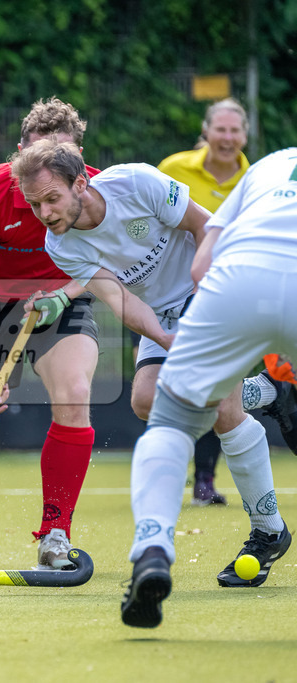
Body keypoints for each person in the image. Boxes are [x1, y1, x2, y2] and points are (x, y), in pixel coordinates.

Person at [8, 140, 292, 627]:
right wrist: (165, 336)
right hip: (163, 314)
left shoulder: (136, 182)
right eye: (35, 205)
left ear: (81, 183)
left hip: (213, 285)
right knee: (146, 400)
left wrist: (205, 310)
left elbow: (204, 226)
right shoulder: (61, 245)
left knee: (221, 408)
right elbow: (120, 298)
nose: (45, 213)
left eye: (52, 198)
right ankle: (267, 393)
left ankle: (268, 530)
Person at [117, 147, 297, 627]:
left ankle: (154, 550)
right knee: (151, 400)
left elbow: (205, 250)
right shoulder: (66, 224)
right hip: (191, 303)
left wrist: (207, 322)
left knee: (180, 416)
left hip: (228, 289)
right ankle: (272, 391)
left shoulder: (266, 166)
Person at [0, 97, 99, 571]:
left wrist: (63, 296)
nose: (47, 170)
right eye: (37, 156)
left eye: (60, 157)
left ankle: (55, 532)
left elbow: (104, 262)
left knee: (74, 393)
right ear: (20, 154)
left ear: (77, 161)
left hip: (62, 299)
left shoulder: (95, 190)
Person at [157, 97, 250, 506]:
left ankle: (205, 479)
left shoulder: (255, 178)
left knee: (215, 383)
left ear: (245, 134)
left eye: (235, 130)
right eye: (221, 129)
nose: (227, 138)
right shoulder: (172, 169)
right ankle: (168, 464)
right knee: (156, 388)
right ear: (206, 131)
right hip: (168, 293)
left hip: (229, 296)